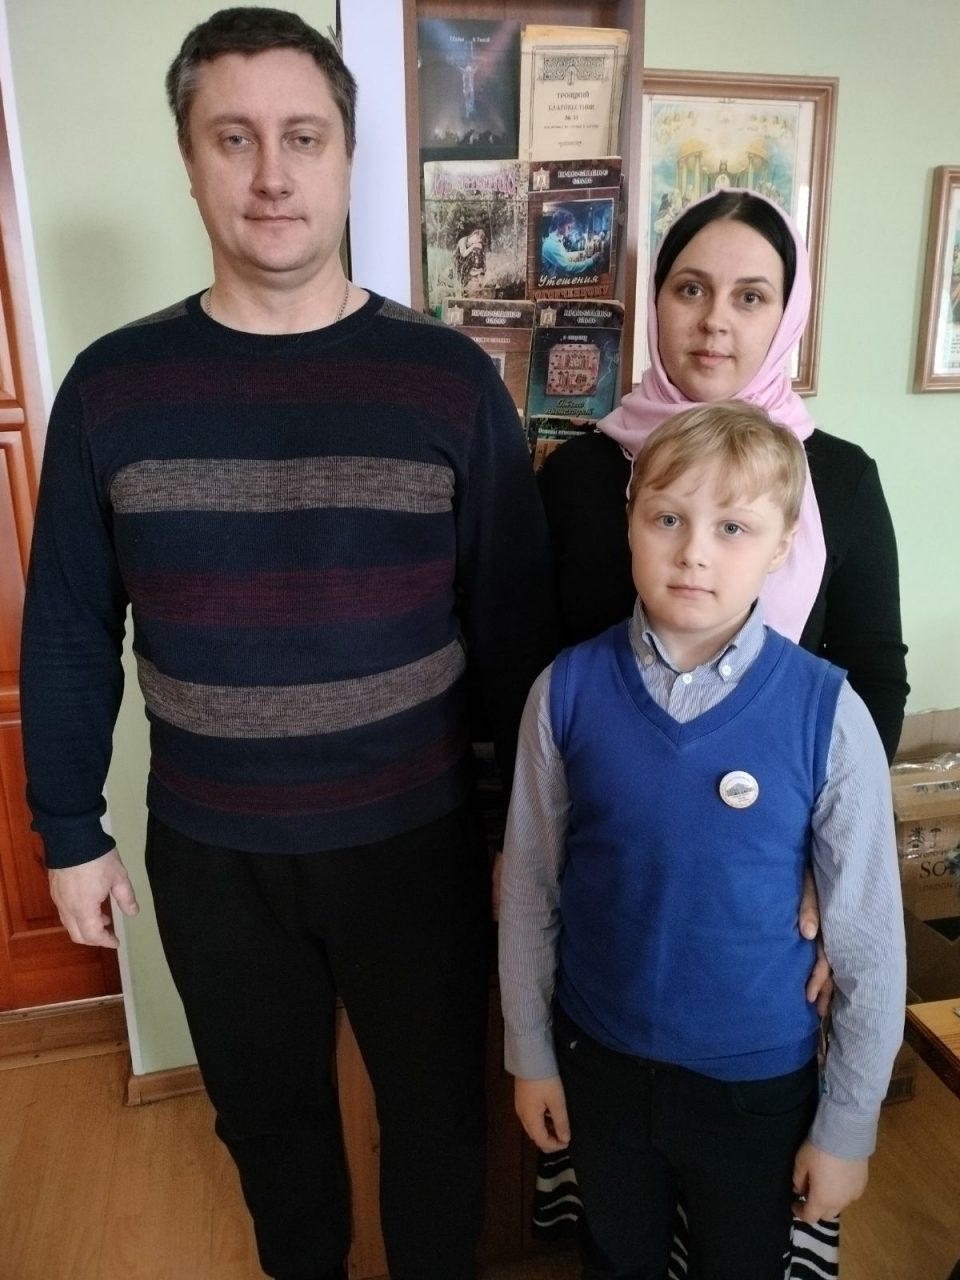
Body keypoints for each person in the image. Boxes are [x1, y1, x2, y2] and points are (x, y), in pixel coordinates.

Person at [19, 9, 555, 1280]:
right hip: (215, 855)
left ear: (347, 155)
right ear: (189, 159)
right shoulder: (110, 387)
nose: (272, 173)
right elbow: (71, 625)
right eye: (235, 138)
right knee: (270, 1130)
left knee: (438, 1120)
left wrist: (517, 835)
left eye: (303, 137)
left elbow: (516, 631)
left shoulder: (448, 381)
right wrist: (70, 826)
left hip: (419, 841)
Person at [499, 402, 906, 1280]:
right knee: (616, 1258)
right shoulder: (563, 693)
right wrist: (529, 1052)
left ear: (783, 544)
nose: (693, 552)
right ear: (631, 522)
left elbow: (869, 940)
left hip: (754, 1085)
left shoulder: (829, 713)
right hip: (600, 1062)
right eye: (668, 519)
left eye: (733, 527)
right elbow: (530, 889)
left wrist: (848, 1126)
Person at [539, 188, 908, 762]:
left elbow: (873, 675)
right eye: (691, 289)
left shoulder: (841, 479)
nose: (714, 321)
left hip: (785, 797)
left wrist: (831, 801)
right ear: (655, 300)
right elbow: (534, 658)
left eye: (750, 297)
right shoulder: (574, 475)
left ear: (787, 317)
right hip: (602, 795)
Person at [541, 209, 599, 278]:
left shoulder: (555, 240)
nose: (570, 229)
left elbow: (562, 256)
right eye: (568, 227)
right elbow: (568, 268)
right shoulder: (552, 244)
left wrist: (580, 254)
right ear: (559, 226)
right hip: (553, 281)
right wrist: (591, 261)